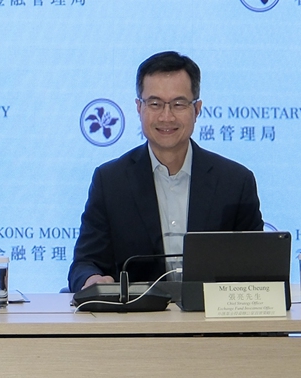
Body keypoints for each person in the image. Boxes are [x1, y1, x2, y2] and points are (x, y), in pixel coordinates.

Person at [68, 51, 264, 292]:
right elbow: (85, 263)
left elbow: (257, 269)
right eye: (155, 104)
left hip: (211, 323)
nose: (166, 116)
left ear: (197, 109)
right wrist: (93, 280)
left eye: (179, 104)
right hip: (138, 323)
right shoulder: (111, 182)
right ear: (139, 108)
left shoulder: (235, 182)